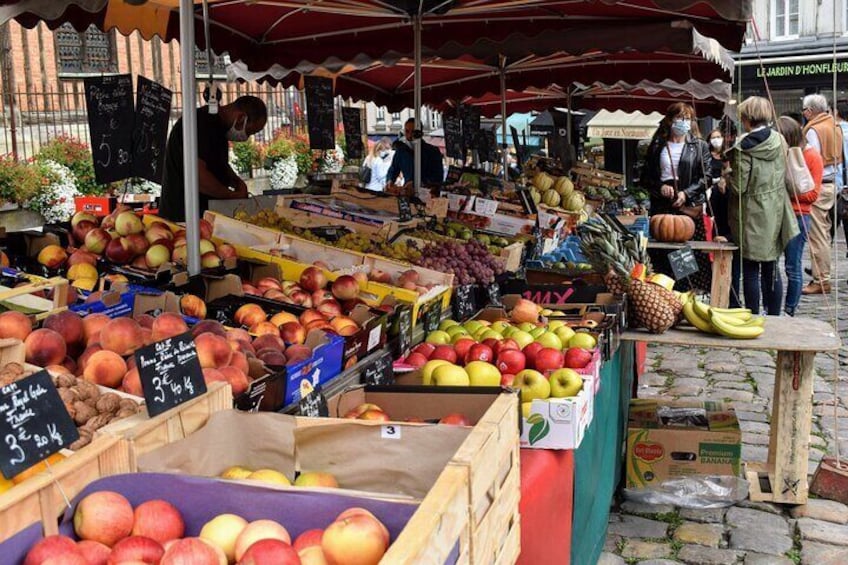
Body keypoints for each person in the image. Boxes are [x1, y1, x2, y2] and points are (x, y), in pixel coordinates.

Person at [725, 96, 798, 315]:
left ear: (747, 119)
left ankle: (753, 315)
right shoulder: (780, 139)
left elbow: (740, 187)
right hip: (776, 209)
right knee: (772, 266)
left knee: (750, 268)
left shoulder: (742, 148)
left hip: (751, 212)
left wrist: (727, 176)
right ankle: (775, 315)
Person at [160, 96, 267, 222]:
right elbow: (198, 177)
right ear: (241, 118)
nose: (246, 137)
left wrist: (236, 181)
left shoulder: (219, 128)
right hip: (184, 216)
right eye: (249, 132)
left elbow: (218, 163)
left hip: (203, 214)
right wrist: (231, 196)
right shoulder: (201, 124)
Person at [643, 102, 712, 291]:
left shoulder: (699, 146)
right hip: (662, 207)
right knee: (661, 257)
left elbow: (706, 177)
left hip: (686, 210)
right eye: (679, 118)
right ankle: (662, 292)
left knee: (685, 258)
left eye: (687, 118)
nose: (683, 122)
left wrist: (686, 193)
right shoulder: (658, 145)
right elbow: (646, 176)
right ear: (670, 120)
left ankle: (685, 293)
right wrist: (661, 187)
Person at [777, 116, 822, 316]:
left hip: (798, 215)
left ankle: (790, 309)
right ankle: (773, 308)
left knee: (792, 265)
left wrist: (787, 194)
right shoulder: (781, 154)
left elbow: (812, 194)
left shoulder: (811, 156)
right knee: (771, 263)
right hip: (779, 213)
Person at [801, 93, 843, 294]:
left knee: (817, 234)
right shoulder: (833, 125)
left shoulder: (814, 129)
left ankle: (821, 279)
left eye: (805, 110)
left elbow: (813, 161)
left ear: (810, 111)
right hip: (832, 183)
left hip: (820, 184)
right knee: (823, 232)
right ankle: (822, 276)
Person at [386, 118, 444, 187]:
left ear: (421, 133)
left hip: (427, 194)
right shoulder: (401, 151)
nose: (410, 136)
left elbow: (438, 177)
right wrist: (389, 181)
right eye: (407, 131)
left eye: (413, 132)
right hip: (407, 192)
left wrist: (419, 184)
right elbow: (393, 170)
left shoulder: (432, 152)